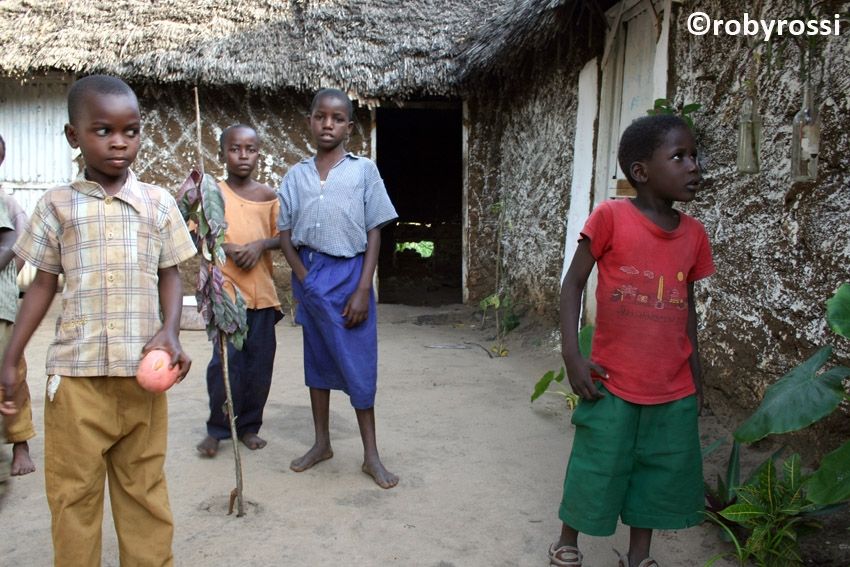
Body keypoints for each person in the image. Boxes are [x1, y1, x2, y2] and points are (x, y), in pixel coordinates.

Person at [0, 75, 196, 566]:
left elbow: (171, 273)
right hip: (75, 381)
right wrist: (12, 357)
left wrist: (170, 331)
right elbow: (41, 284)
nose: (118, 142)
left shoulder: (158, 203)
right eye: (103, 130)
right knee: (73, 497)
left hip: (140, 380)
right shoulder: (55, 205)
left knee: (145, 492)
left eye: (130, 131)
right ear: (74, 135)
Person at [548, 114, 714, 567]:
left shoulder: (695, 235)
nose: (693, 165)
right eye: (679, 156)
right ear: (641, 172)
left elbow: (688, 311)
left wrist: (697, 377)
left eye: (693, 155)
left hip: (671, 383)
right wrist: (572, 355)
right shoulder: (611, 217)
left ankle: (638, 554)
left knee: (655, 471)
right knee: (596, 463)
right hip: (610, 379)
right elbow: (572, 285)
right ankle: (569, 540)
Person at [278, 88, 399, 489]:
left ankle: (371, 456)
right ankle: (321, 443)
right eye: (320, 117)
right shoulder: (296, 176)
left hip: (351, 274)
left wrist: (364, 287)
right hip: (311, 272)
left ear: (350, 126)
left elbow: (375, 229)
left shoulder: (363, 170)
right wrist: (304, 278)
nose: (327, 124)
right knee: (318, 360)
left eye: (337, 118)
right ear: (310, 121)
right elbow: (285, 233)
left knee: (359, 364)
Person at [197, 124, 283, 458]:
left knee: (259, 367)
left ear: (259, 153)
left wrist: (260, 245)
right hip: (226, 296)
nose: (243, 155)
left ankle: (249, 426)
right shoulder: (212, 195)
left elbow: (282, 236)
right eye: (235, 149)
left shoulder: (268, 196)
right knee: (224, 365)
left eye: (251, 149)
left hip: (261, 295)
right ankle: (216, 429)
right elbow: (198, 236)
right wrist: (230, 249)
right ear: (222, 154)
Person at [0, 134, 35, 476]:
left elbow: (21, 245)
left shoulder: (6, 203)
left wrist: (8, 279)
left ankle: (19, 442)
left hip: (0, 307)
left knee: (11, 375)